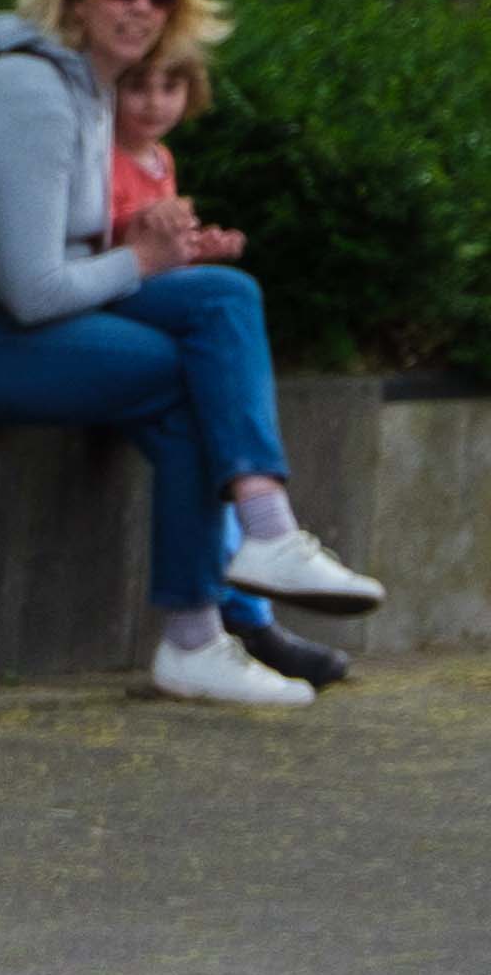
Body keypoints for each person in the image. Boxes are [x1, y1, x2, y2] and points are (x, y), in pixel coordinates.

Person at [0, 0, 384, 714]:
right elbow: (33, 291)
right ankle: (195, 637)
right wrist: (140, 262)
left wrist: (152, 248)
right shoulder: (34, 93)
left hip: (3, 316)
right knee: (175, 376)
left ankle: (268, 529)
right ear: (77, 0)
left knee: (223, 295)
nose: (141, 7)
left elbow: (64, 257)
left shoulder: (89, 90)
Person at [99, 46, 347, 691]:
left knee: (221, 439)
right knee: (226, 320)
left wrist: (194, 249)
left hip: (146, 300)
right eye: (139, 89)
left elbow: (162, 262)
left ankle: (242, 616)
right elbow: (92, 252)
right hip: (103, 304)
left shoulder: (163, 162)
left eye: (170, 89)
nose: (155, 103)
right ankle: (249, 590)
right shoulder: (100, 154)